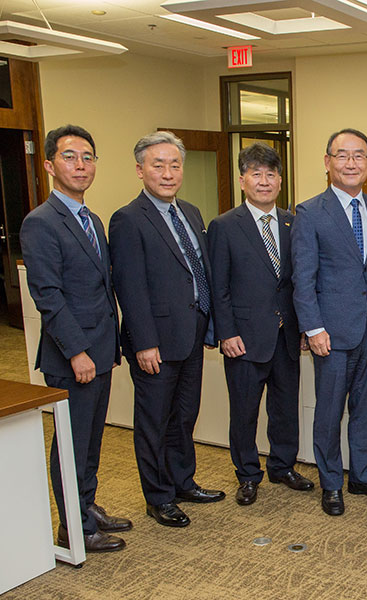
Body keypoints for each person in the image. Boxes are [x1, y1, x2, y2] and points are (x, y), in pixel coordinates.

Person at [21, 125, 131, 553]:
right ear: (50, 165)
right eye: (70, 157)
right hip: (72, 356)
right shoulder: (41, 222)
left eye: (87, 157)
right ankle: (73, 526)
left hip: (101, 349)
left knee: (91, 438)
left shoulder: (91, 218)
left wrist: (108, 345)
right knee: (70, 443)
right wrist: (79, 352)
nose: (80, 165)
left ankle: (86, 506)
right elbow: (48, 296)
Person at [109, 131, 225, 528]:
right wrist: (143, 342)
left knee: (184, 416)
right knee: (154, 421)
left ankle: (182, 482)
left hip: (191, 334)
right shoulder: (127, 219)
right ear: (140, 170)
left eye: (175, 164)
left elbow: (199, 272)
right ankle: (158, 497)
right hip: (154, 341)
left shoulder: (190, 212)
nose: (168, 172)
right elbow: (130, 285)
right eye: (158, 165)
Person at [293, 128, 367, 517]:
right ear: (327, 162)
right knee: (330, 410)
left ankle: (363, 476)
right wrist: (313, 328)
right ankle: (332, 482)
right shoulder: (309, 212)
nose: (351, 163)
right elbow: (302, 278)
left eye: (359, 156)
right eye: (342, 155)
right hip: (332, 331)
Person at [208, 143, 312, 507]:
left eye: (270, 174)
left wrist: (303, 326)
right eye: (256, 174)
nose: (264, 181)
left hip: (286, 335)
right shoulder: (223, 226)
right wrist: (226, 333)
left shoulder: (293, 222)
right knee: (245, 411)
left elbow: (298, 280)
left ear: (280, 181)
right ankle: (248, 474)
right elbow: (217, 286)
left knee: (285, 407)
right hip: (244, 337)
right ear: (242, 180)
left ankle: (282, 466)